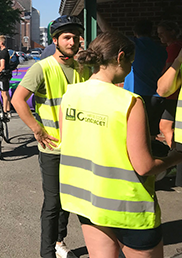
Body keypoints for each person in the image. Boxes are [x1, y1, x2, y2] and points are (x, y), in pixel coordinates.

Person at [59, 31, 182, 258]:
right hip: (128, 207)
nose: (130, 68)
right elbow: (144, 166)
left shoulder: (70, 95)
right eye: (131, 63)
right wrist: (175, 157)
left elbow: (70, 143)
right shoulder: (128, 102)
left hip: (87, 201)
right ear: (120, 57)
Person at [12, 15, 89, 258]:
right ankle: (47, 253)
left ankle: (59, 242)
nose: (72, 41)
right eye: (67, 37)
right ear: (55, 40)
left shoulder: (82, 68)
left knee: (69, 201)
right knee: (53, 203)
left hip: (77, 147)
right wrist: (36, 129)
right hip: (52, 148)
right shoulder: (42, 67)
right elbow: (17, 99)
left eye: (76, 37)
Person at [123, 20, 167, 136]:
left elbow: (110, 32)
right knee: (151, 134)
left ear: (134, 32)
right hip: (157, 96)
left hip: (137, 96)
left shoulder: (134, 44)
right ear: (152, 32)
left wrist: (97, 14)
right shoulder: (161, 50)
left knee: (134, 133)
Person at [155, 21, 182, 147]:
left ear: (172, 32)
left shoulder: (174, 47)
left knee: (165, 125)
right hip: (175, 93)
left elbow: (170, 69)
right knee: (166, 125)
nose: (160, 36)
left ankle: (174, 153)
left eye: (162, 33)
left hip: (173, 92)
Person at [0, 35, 11, 117]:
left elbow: (2, 65)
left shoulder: (2, 53)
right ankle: (8, 110)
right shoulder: (6, 51)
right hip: (7, 74)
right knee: (7, 92)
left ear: (1, 42)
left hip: (3, 75)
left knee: (3, 93)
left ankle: (4, 110)